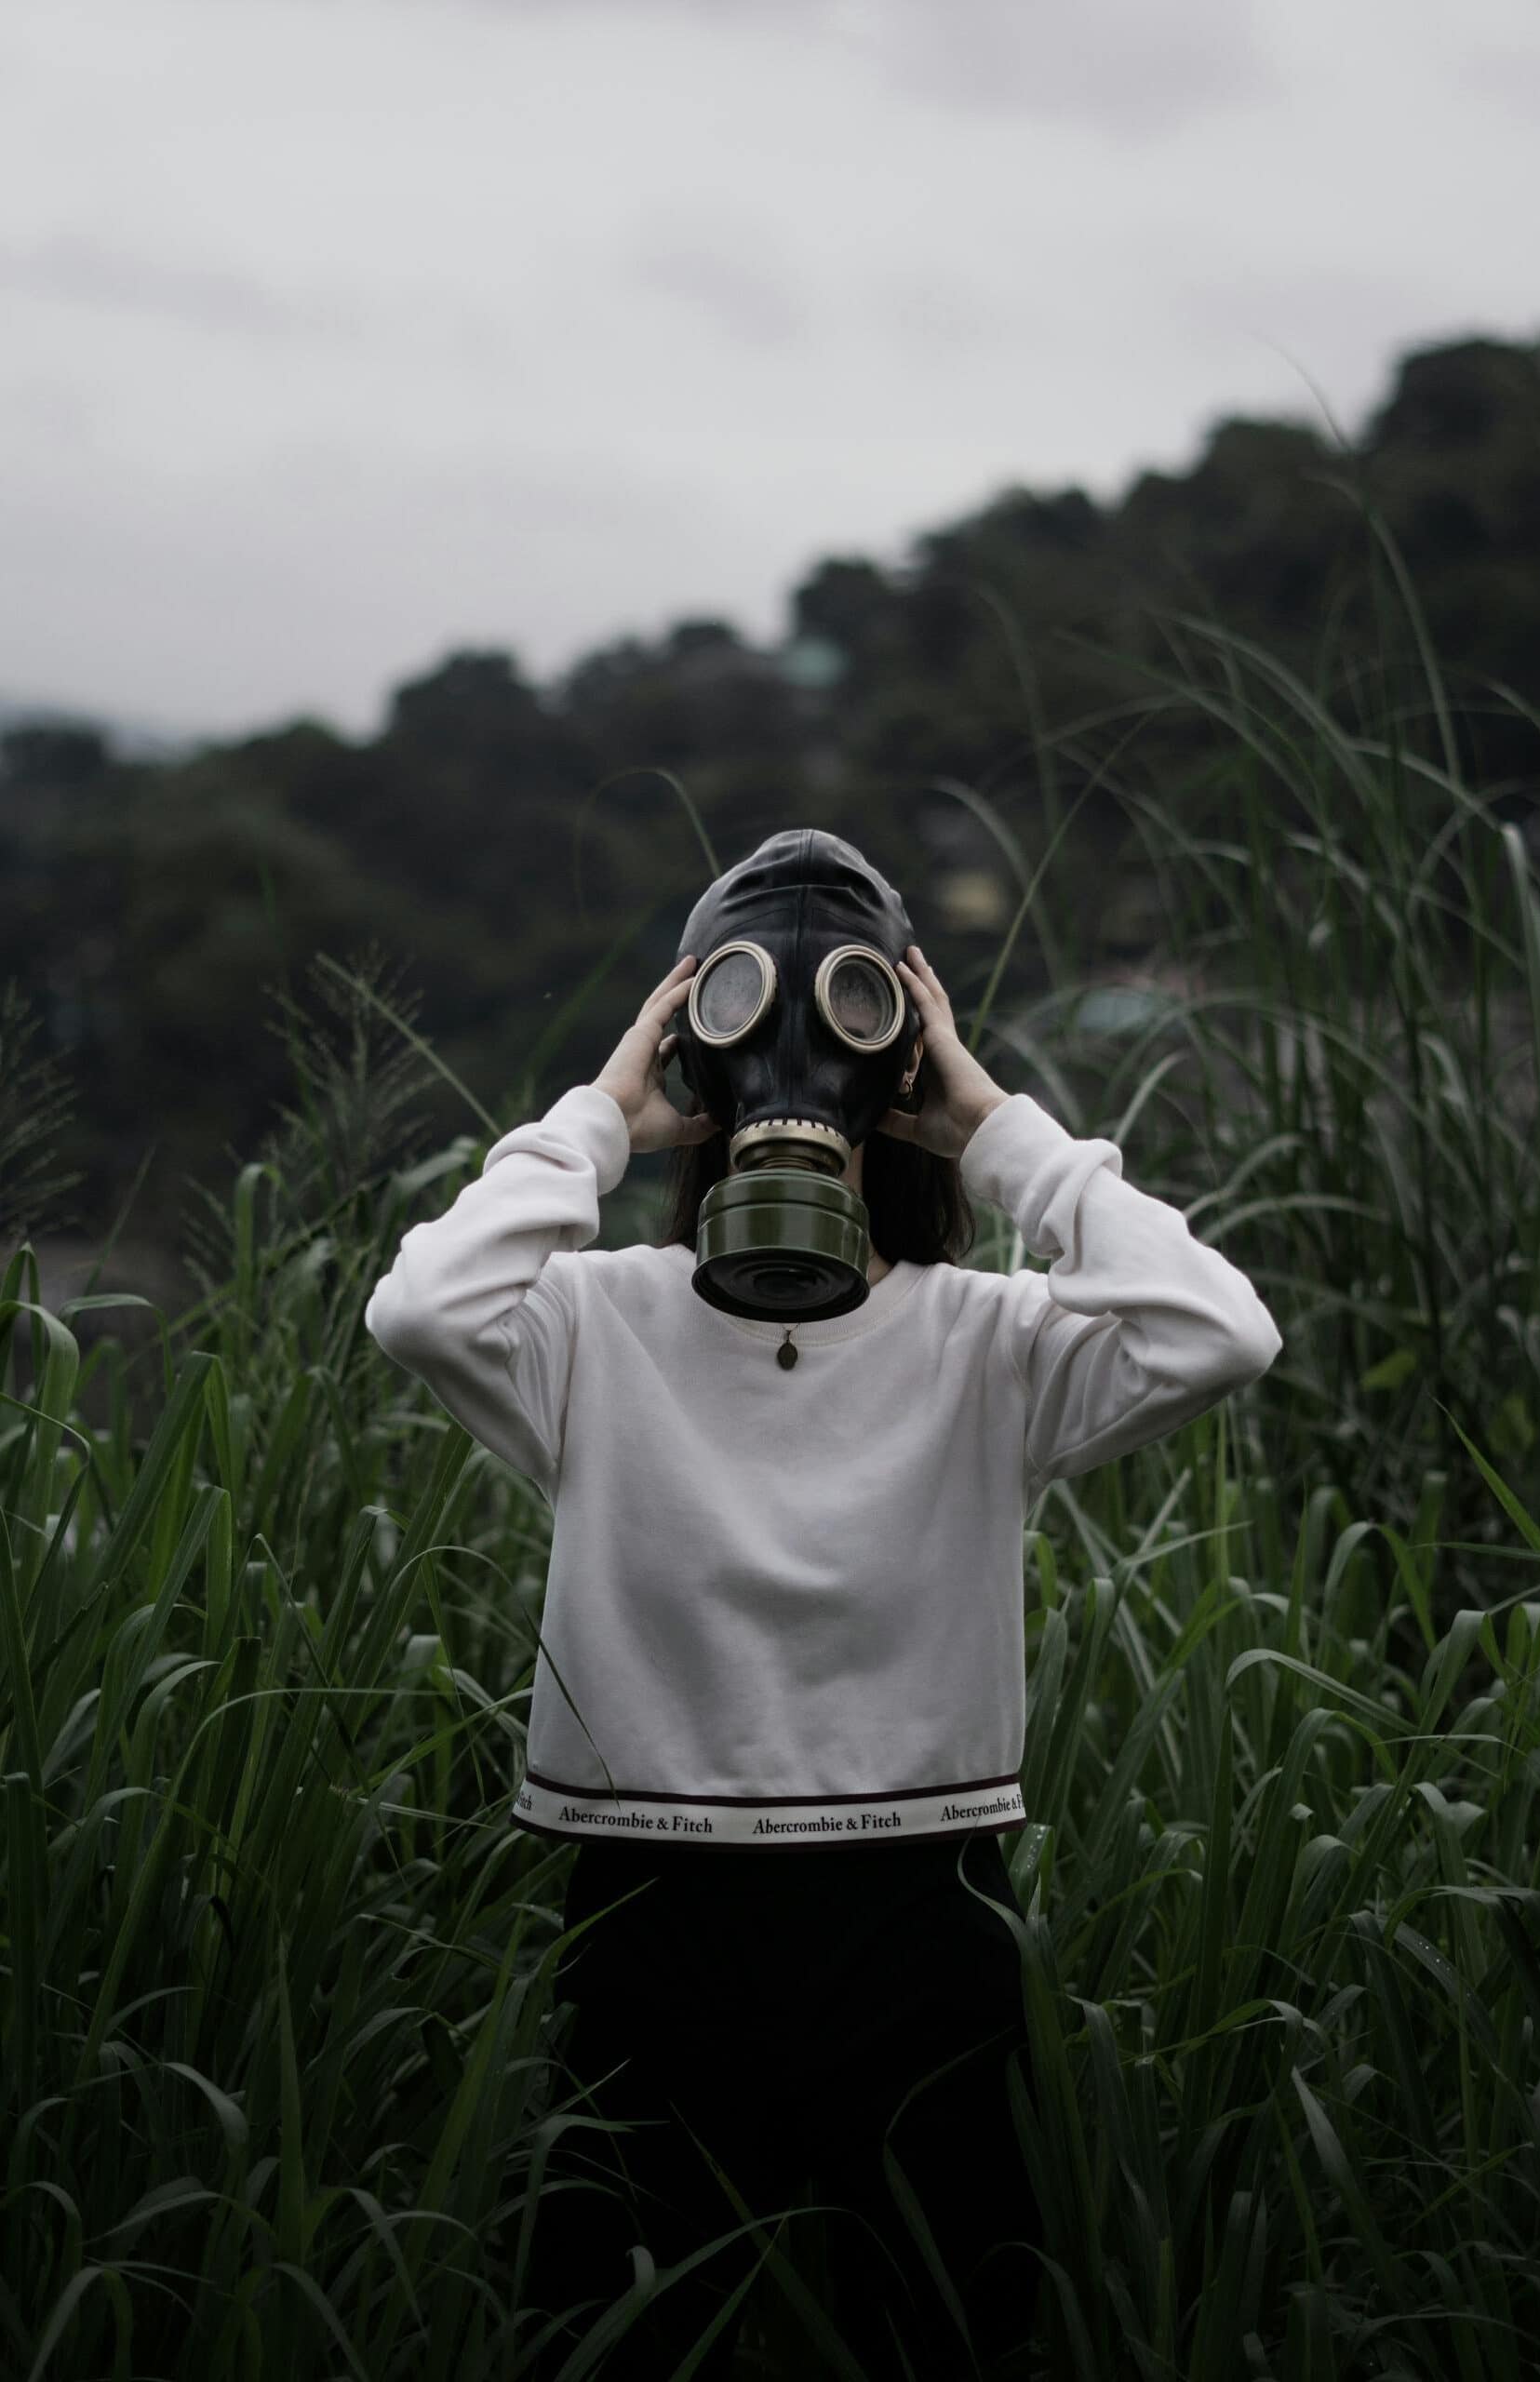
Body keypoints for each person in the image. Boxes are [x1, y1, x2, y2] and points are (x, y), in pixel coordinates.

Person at [363, 831, 1283, 2379]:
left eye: (855, 1017)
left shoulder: (987, 1345)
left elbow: (1222, 1332)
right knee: (616, 2337)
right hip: (649, 1907)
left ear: (899, 1070)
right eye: (743, 1011)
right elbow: (420, 1306)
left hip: (919, 1909)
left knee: (938, 2333)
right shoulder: (595, 1328)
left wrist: (991, 1126)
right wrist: (601, 1120)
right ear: (694, 1057)